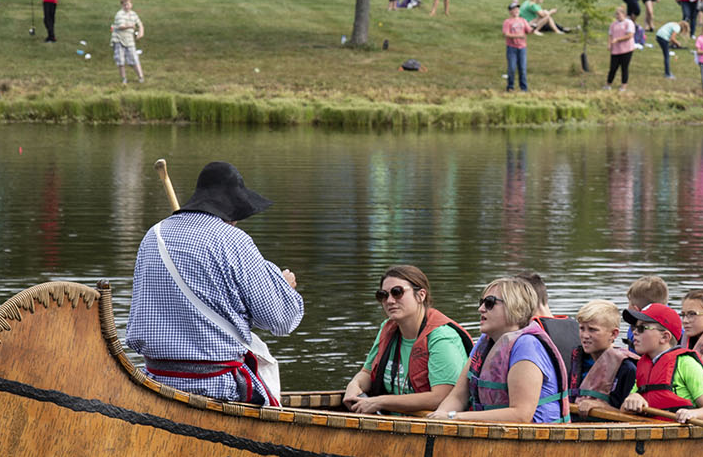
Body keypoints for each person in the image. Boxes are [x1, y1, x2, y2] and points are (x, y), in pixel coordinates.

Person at [127, 161, 304, 406]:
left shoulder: (153, 236)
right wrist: (282, 287)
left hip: (155, 383)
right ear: (231, 211)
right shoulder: (234, 240)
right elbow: (281, 320)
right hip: (217, 386)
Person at [430, 277, 570, 423]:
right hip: (496, 434)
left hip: (537, 437)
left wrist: (454, 417)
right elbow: (458, 396)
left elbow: (520, 414)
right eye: (481, 302)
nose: (481, 309)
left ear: (515, 307)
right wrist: (440, 416)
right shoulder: (485, 342)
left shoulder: (527, 347)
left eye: (489, 303)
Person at [342, 266, 473, 415]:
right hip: (391, 421)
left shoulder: (442, 337)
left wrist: (380, 402)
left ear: (421, 295)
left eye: (397, 293)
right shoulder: (387, 328)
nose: (390, 301)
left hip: (430, 426)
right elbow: (367, 373)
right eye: (383, 295)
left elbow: (442, 397)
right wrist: (354, 384)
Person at [620, 303, 703, 423]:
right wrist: (632, 398)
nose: (635, 332)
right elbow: (623, 411)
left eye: (642, 328)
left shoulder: (686, 363)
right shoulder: (643, 365)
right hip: (655, 430)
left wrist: (692, 413)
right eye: (633, 328)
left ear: (665, 337)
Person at [566, 300, 638, 416]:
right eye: (582, 328)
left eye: (592, 329)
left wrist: (602, 406)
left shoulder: (627, 368)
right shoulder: (577, 361)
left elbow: (631, 417)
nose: (585, 335)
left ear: (613, 334)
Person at [110, 0, 146, 84]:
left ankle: (140, 77)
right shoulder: (119, 14)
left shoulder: (133, 14)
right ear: (122, 5)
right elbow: (121, 26)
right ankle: (124, 79)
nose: (127, 6)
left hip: (129, 41)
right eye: (125, 5)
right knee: (120, 60)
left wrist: (141, 32)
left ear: (131, 4)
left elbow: (140, 24)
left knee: (134, 59)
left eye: (128, 4)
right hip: (118, 40)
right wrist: (130, 26)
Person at [503, 1, 534, 92]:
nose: (516, 10)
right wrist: (518, 36)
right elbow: (506, 34)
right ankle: (510, 87)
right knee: (512, 68)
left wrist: (534, 28)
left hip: (522, 48)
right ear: (510, 11)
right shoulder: (508, 22)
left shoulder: (523, 20)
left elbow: (529, 31)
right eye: (514, 9)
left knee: (522, 68)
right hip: (511, 48)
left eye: (517, 9)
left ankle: (524, 88)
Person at [606, 2, 636, 91]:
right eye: (616, 14)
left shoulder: (629, 23)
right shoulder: (613, 24)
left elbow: (630, 35)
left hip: (626, 49)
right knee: (613, 67)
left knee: (624, 67)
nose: (617, 16)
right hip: (615, 49)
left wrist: (618, 39)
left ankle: (623, 85)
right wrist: (609, 44)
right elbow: (610, 35)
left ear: (624, 14)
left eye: (619, 14)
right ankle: (608, 84)